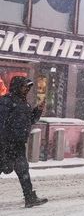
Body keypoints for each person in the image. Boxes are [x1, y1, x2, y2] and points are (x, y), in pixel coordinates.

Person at [0, 76, 48, 208]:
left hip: (18, 144)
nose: (26, 89)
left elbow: (30, 121)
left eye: (28, 87)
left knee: (23, 171)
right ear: (16, 87)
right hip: (5, 143)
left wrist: (38, 110)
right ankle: (29, 198)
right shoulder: (6, 102)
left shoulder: (24, 103)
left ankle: (29, 198)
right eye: (24, 86)